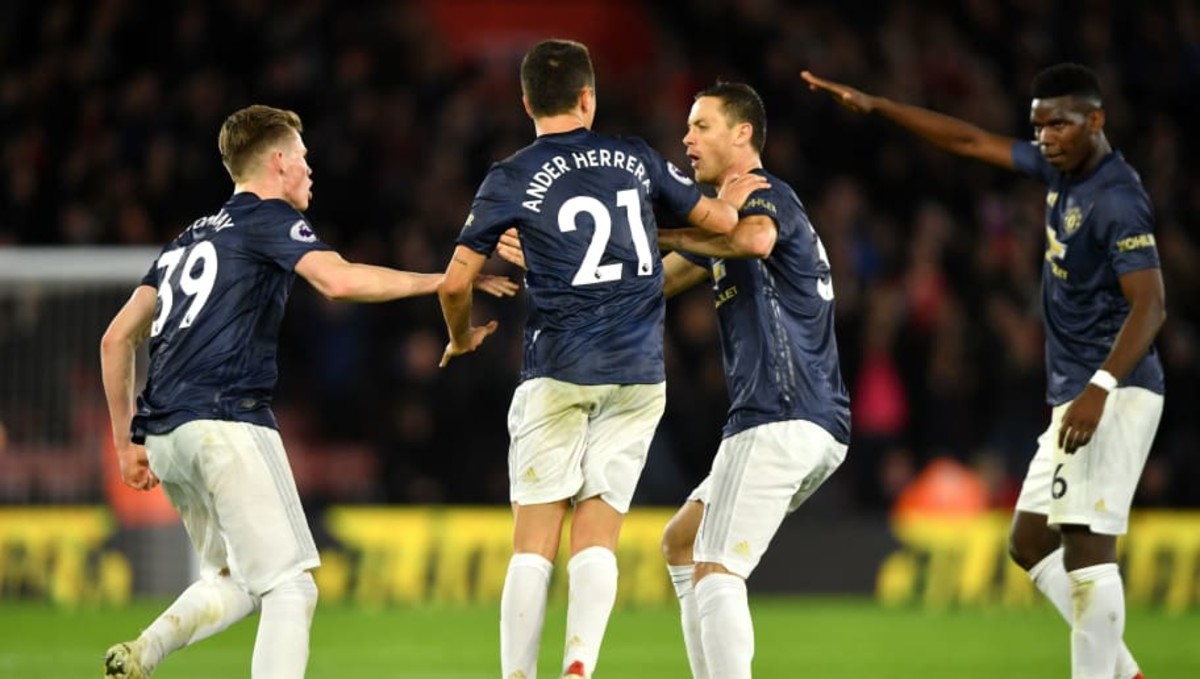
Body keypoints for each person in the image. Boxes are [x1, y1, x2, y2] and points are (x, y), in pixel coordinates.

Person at [99, 104, 515, 679]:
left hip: (167, 435)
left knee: (237, 579)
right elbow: (338, 281)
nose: (309, 168)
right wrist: (446, 281)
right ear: (277, 162)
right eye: (302, 155)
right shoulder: (266, 217)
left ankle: (143, 652)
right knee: (292, 589)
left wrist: (127, 443)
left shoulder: (185, 241)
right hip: (227, 421)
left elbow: (116, 339)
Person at [803, 64, 1164, 679]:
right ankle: (1125, 672)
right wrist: (879, 105)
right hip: (1077, 393)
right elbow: (970, 140)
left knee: (1087, 550)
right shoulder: (1062, 169)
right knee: (1029, 541)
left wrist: (1101, 389)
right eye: (1039, 126)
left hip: (1113, 390)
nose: (1046, 138)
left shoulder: (1117, 200)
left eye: (1060, 125)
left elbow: (1151, 305)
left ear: (1096, 121)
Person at [437, 39, 765, 679]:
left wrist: (459, 336)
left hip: (558, 370)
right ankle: (580, 663)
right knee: (598, 533)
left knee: (534, 542)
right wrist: (729, 196)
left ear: (527, 101)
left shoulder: (511, 175)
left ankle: (519, 675)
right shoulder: (636, 157)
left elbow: (454, 284)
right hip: (637, 376)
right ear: (588, 98)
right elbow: (724, 221)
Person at [654, 82, 851, 679]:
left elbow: (756, 239)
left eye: (702, 125)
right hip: (809, 417)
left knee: (718, 569)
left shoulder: (762, 194)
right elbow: (654, 284)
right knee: (683, 543)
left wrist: (659, 227)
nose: (687, 138)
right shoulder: (726, 224)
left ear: (742, 133)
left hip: (779, 411)